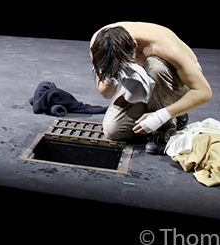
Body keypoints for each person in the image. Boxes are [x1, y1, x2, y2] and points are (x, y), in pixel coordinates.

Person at [90, 21, 212, 154]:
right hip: (140, 80)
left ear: (134, 47)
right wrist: (110, 71)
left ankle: (168, 124)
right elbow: (106, 93)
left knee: (154, 66)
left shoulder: (164, 47)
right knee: (114, 130)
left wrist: (161, 116)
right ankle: (163, 110)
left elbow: (204, 91)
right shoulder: (99, 44)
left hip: (175, 82)